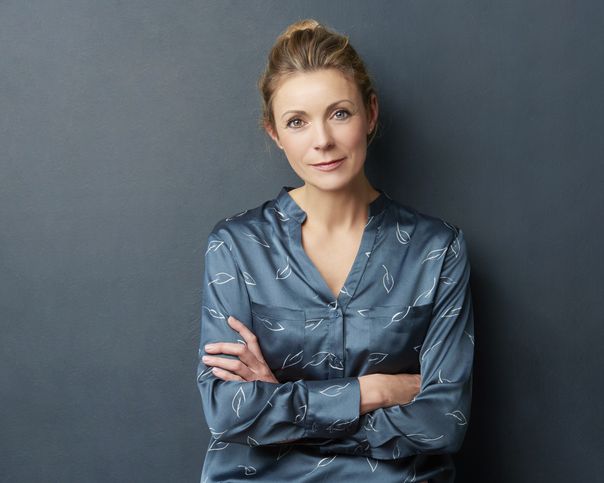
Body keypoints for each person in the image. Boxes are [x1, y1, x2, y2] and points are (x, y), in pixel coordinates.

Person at [197, 20, 474, 482]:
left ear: (371, 112)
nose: (322, 139)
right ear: (274, 132)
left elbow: (443, 423)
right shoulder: (236, 246)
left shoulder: (437, 249)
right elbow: (226, 413)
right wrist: (375, 391)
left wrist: (283, 409)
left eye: (339, 113)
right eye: (297, 121)